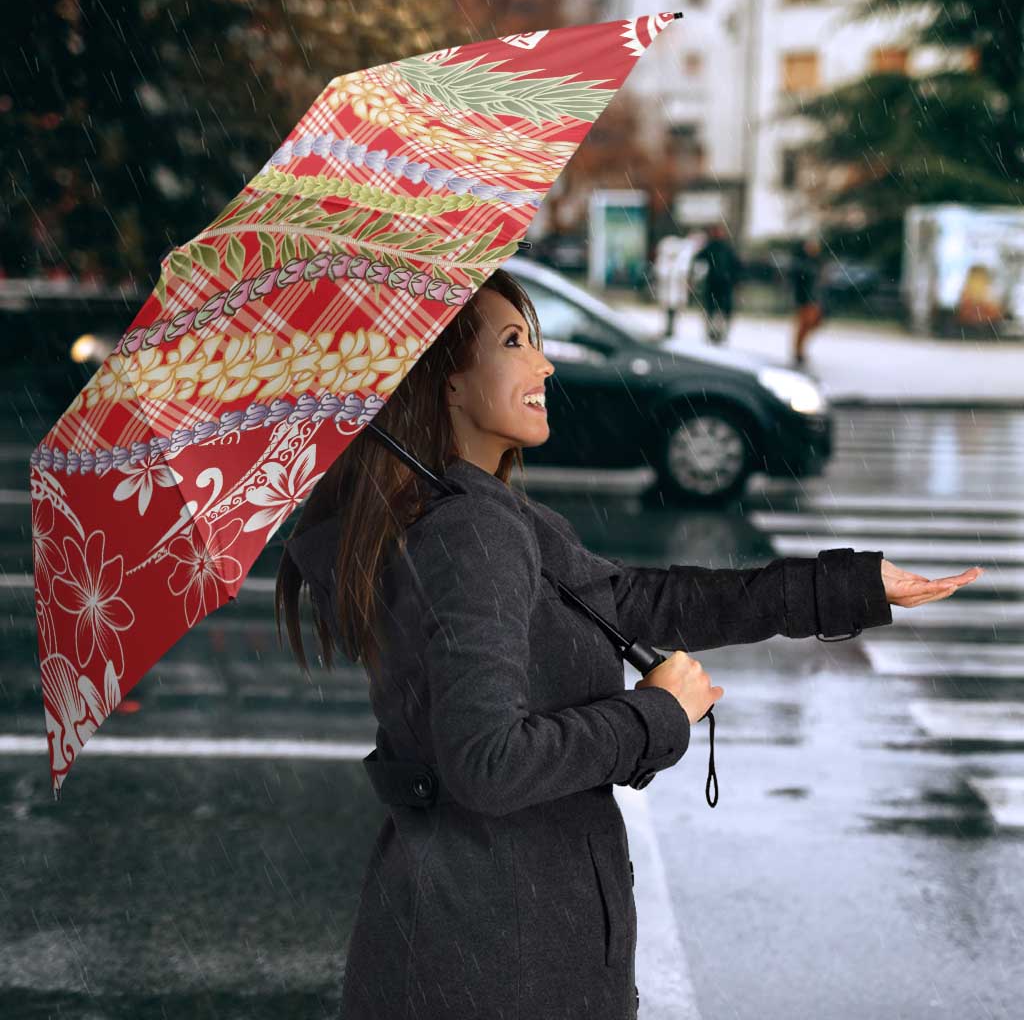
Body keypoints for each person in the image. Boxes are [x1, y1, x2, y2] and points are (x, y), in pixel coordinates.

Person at [276, 267, 971, 1020]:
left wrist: (850, 588)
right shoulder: (468, 532)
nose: (544, 364)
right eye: (515, 342)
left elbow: (639, 601)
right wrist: (657, 715)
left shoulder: (472, 513)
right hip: (499, 959)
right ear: (445, 381)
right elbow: (488, 763)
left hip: (480, 939)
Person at [692, 222, 742, 345]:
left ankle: (719, 333)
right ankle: (713, 333)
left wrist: (735, 280)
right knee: (713, 310)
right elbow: (698, 260)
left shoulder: (725, 248)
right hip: (715, 284)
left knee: (720, 311)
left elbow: (736, 266)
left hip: (723, 284)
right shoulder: (712, 247)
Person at [790, 235, 826, 367]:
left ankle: (800, 350)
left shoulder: (817, 262)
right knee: (804, 325)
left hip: (814, 299)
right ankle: (798, 351)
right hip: (805, 299)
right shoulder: (802, 263)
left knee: (812, 324)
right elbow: (799, 282)